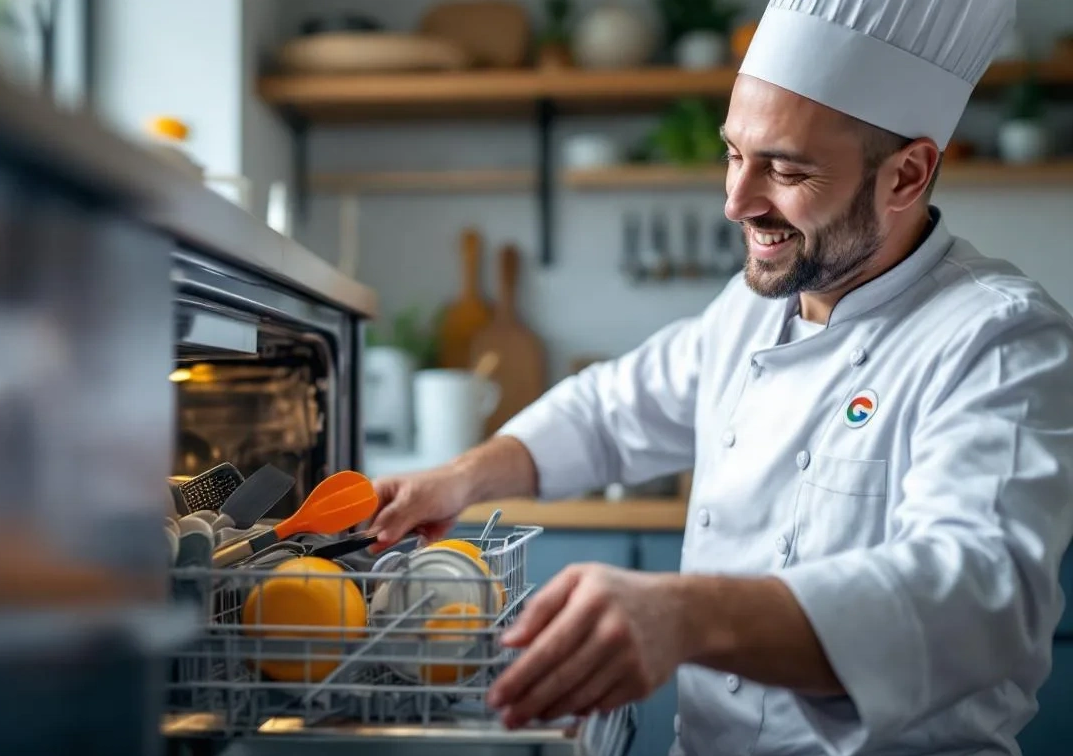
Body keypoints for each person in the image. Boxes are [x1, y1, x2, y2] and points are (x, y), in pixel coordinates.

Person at [367, 1, 1073, 754]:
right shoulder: (752, 305)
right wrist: (457, 479)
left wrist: (686, 616)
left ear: (906, 175)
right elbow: (610, 409)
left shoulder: (999, 339)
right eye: (734, 153)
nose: (736, 200)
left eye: (786, 168)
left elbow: (977, 595)